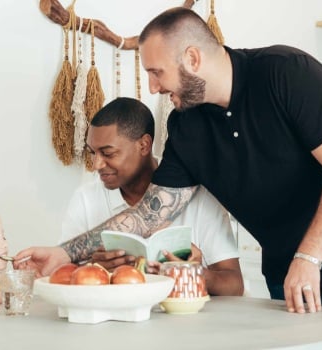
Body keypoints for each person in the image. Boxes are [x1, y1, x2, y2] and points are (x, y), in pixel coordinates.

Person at [17, 7, 322, 349]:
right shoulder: (186, 127)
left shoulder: (286, 74)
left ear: (192, 59)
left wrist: (309, 257)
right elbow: (149, 214)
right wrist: (66, 253)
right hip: (289, 263)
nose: (154, 87)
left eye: (157, 73)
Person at [61, 97, 243, 296]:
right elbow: (62, 277)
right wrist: (94, 267)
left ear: (144, 145)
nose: (96, 165)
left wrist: (195, 273)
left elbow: (235, 286)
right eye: (92, 153)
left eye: (108, 153)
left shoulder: (199, 197)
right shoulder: (85, 199)